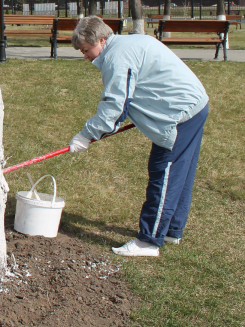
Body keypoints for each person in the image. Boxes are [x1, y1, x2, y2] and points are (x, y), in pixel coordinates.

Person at [69, 16, 209, 257]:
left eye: (86, 50)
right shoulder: (126, 44)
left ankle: (148, 241)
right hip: (194, 105)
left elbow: (115, 106)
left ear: (101, 40)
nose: (85, 56)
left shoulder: (117, 57)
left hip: (180, 113)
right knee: (179, 173)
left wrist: (85, 135)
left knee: (164, 172)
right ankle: (171, 230)